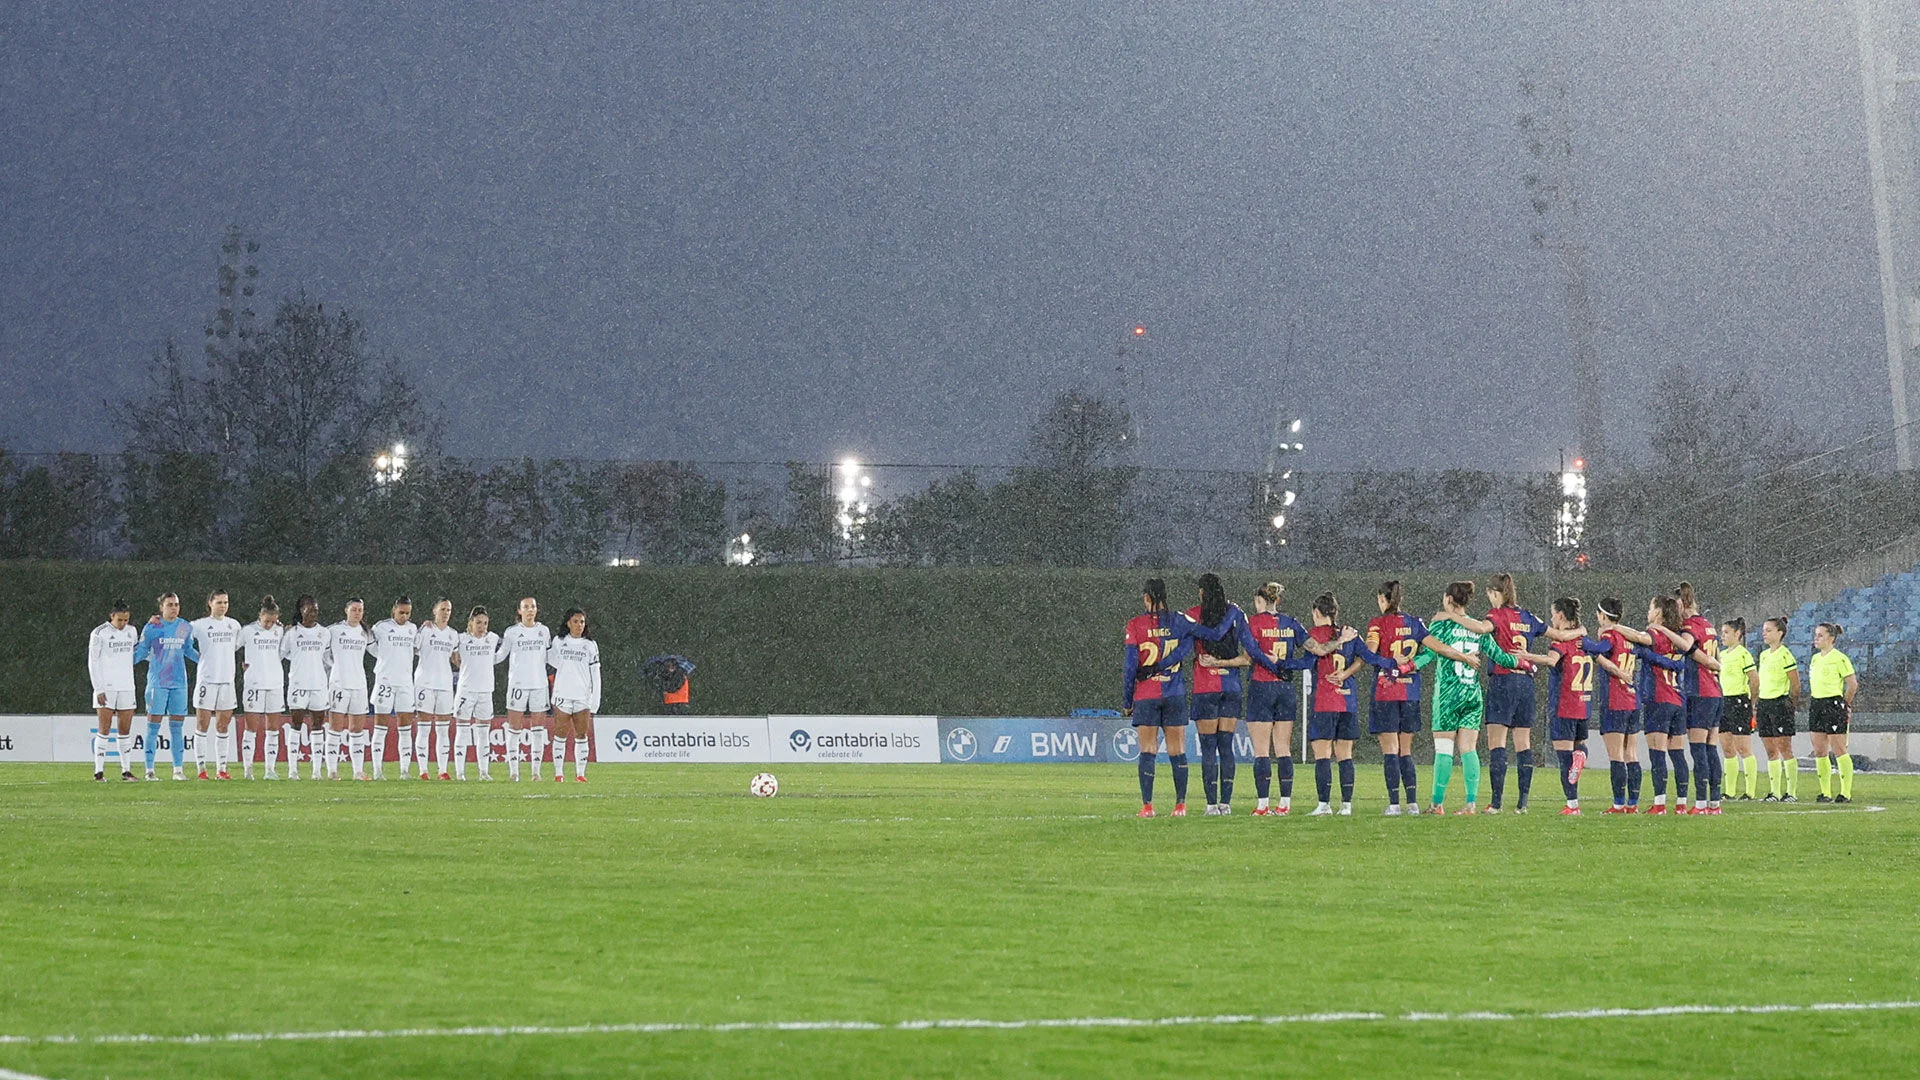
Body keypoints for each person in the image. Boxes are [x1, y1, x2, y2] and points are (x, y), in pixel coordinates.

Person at [1121, 577, 1245, 818]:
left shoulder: (1134, 625)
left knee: (1148, 750)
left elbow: (1129, 668)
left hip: (1146, 694)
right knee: (1177, 750)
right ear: (1165, 596)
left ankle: (1148, 806)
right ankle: (1180, 805)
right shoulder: (1180, 619)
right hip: (1174, 693)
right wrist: (1232, 615)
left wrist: (1128, 701)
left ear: (1146, 598)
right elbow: (1202, 639)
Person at [1413, 581, 1520, 815]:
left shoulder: (1441, 624)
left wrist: (1409, 666)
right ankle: (1471, 803)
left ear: (1449, 600)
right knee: (1468, 749)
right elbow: (1498, 655)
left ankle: (1437, 804)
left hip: (1448, 694)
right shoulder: (1476, 626)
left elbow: (1430, 653)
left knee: (1443, 749)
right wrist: (1521, 662)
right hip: (1472, 693)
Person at [1305, 592, 1396, 816]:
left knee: (1322, 753)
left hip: (1324, 701)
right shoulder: (1351, 632)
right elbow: (1369, 658)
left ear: (1317, 613)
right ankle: (1346, 805)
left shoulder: (1314, 634)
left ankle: (1324, 804)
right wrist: (1393, 663)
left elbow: (1308, 660)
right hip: (1347, 700)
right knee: (1345, 754)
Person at [1525, 598, 1613, 814]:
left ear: (1561, 616)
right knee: (1577, 750)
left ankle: (1572, 805)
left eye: (1553, 614)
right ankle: (1582, 754)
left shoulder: (1561, 642)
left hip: (1564, 705)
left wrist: (1526, 656)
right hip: (1583, 705)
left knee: (1565, 759)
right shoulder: (1584, 640)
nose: (1552, 618)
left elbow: (1551, 660)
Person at [1238, 582, 1316, 816]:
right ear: (1278, 601)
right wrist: (1291, 664)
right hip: (1285, 688)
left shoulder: (1253, 623)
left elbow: (1249, 655)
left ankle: (1263, 805)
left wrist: (1221, 662)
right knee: (1283, 749)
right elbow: (1314, 650)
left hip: (1262, 687)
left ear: (1259, 600)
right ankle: (1284, 804)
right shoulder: (1291, 623)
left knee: (1262, 751)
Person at [1363, 581, 1428, 816]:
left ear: (1383, 599)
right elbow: (1433, 647)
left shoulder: (1378, 624)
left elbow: (1370, 653)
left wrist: (1373, 653)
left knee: (1390, 750)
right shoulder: (1415, 623)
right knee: (1406, 751)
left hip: (1386, 691)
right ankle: (1412, 804)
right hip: (1410, 692)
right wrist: (1461, 655)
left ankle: (1393, 804)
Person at [1663, 583, 1726, 812]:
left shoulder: (1689, 626)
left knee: (1698, 748)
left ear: (1682, 604)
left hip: (1700, 692)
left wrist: (1665, 631)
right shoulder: (1708, 625)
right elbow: (1717, 659)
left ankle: (1700, 803)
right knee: (1710, 748)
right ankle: (1714, 802)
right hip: (1715, 691)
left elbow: (1687, 645)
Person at [1187, 573, 1246, 815]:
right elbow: (1248, 654)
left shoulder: (1192, 615)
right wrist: (1225, 661)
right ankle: (1226, 804)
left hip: (1206, 687)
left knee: (1208, 748)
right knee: (1227, 747)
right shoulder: (1234, 613)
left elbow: (1180, 645)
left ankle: (1211, 805)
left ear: (1201, 592)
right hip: (1230, 686)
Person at [133, 592, 198, 781]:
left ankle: (178, 770)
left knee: (177, 728)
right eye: (170, 605)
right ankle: (149, 770)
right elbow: (141, 651)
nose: (174, 608)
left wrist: (205, 661)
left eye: (176, 604)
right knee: (153, 727)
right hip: (158, 683)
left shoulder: (184, 627)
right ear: (161, 607)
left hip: (179, 684)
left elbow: (188, 650)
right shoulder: (153, 627)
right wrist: (122, 663)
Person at [1591, 599, 1649, 812]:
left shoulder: (1610, 636)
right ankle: (1633, 804)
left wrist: (1588, 645)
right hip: (1632, 700)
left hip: (1615, 700)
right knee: (1631, 754)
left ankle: (1618, 804)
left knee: (1616, 755)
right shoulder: (1629, 638)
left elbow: (1600, 649)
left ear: (1603, 616)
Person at [1639, 596, 1694, 815]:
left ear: (1659, 612)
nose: (1648, 612)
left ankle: (1660, 803)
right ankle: (1681, 803)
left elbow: (1638, 642)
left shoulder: (1653, 634)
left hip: (1658, 698)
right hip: (1678, 700)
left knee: (1657, 753)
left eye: (1651, 608)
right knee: (1678, 754)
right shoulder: (1678, 636)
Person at [497, 596, 554, 781]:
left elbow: (550, 657)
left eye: (533, 607)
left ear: (537, 610)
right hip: (517, 685)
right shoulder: (512, 632)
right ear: (519, 611)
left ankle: (536, 772)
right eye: (526, 607)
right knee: (514, 729)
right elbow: (500, 656)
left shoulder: (544, 631)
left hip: (539, 685)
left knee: (538, 729)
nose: (530, 610)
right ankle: (514, 772)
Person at [189, 590, 243, 780]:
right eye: (219, 602)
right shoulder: (199, 625)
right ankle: (201, 769)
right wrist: (159, 621)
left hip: (227, 681)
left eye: (226, 602)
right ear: (210, 603)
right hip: (207, 680)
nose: (223, 605)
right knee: (202, 725)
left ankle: (222, 769)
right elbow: (178, 633)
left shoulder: (234, 625)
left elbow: (241, 645)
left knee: (223, 726)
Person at [88, 599, 141, 781]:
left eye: (126, 620)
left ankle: (126, 771)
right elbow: (93, 662)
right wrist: (99, 688)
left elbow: (135, 653)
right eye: (120, 620)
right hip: (107, 687)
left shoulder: (132, 632)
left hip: (127, 686)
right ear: (112, 616)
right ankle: (98, 771)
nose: (123, 624)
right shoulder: (99, 633)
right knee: (104, 728)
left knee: (125, 730)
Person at [547, 607, 601, 782]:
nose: (579, 625)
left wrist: (595, 698)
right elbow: (551, 660)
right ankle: (558, 773)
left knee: (581, 735)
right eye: (576, 621)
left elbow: (595, 673)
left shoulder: (590, 645)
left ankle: (580, 774)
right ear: (568, 623)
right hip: (562, 694)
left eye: (582, 622)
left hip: (582, 696)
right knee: (560, 734)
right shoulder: (559, 641)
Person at [1807, 622, 1859, 804]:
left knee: (1839, 749)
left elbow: (1852, 684)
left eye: (1820, 635)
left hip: (1833, 703)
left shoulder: (1840, 658)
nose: (1816, 638)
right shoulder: (1815, 659)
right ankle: (1825, 792)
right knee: (1820, 750)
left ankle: (1845, 793)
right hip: (1817, 703)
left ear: (1831, 638)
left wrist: (1845, 703)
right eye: (1816, 635)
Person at [281, 595, 331, 781]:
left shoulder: (325, 633)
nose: (313, 613)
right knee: (296, 725)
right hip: (298, 684)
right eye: (309, 610)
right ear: (301, 611)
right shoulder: (292, 633)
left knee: (318, 726)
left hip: (319, 685)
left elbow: (327, 658)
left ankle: (316, 771)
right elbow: (282, 654)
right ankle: (293, 770)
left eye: (316, 610)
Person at [369, 597, 419, 781]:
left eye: (407, 613)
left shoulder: (413, 629)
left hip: (405, 682)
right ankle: (377, 770)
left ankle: (404, 771)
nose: (404, 616)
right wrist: (384, 658)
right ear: (394, 610)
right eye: (401, 612)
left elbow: (416, 649)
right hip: (385, 682)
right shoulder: (381, 627)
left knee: (405, 728)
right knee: (380, 727)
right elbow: (370, 646)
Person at [239, 597, 287, 780]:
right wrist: (241, 664)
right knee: (251, 728)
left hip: (275, 683)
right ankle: (248, 770)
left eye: (273, 621)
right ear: (260, 615)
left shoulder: (280, 631)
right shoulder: (248, 631)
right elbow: (232, 647)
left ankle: (270, 769)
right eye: (267, 621)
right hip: (254, 684)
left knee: (273, 729)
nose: (269, 625)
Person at [326, 599, 375, 780]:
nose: (357, 613)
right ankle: (332, 771)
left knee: (357, 730)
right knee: (335, 728)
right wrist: (334, 668)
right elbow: (324, 654)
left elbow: (377, 651)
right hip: (339, 684)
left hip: (359, 685)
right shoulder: (334, 630)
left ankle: (357, 771)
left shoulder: (365, 633)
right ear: (346, 610)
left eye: (360, 610)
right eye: (354, 609)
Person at [451, 606, 501, 781]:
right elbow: (451, 653)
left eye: (485, 623)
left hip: (486, 691)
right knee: (462, 731)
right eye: (478, 622)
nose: (482, 626)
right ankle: (460, 773)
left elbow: (500, 655)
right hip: (466, 691)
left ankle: (484, 772)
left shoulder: (493, 639)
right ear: (470, 623)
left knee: (483, 733)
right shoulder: (461, 639)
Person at [1755, 617, 1802, 802]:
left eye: (1768, 630)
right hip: (1764, 703)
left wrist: (1790, 704)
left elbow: (1795, 684)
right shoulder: (1764, 655)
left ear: (1779, 633)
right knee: (1770, 750)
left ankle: (1791, 792)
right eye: (1764, 630)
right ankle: (1774, 792)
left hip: (1779, 703)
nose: (1764, 633)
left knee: (1785, 748)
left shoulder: (1785, 655)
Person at [413, 599, 460, 780]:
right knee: (424, 728)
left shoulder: (453, 635)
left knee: (443, 729)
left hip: (445, 685)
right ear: (434, 611)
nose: (446, 612)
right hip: (425, 683)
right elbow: (413, 648)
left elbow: (456, 659)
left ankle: (442, 770)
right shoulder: (425, 630)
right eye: (442, 609)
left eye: (449, 609)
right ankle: (423, 770)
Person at [1714, 619, 1758, 800]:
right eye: (1722, 632)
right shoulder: (1722, 655)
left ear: (1737, 634)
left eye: (1726, 632)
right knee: (1727, 748)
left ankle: (1750, 791)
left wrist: (1751, 701)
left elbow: (1754, 680)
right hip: (1723, 701)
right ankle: (1729, 791)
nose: (1722, 636)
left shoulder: (1743, 654)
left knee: (1743, 747)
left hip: (1739, 701)